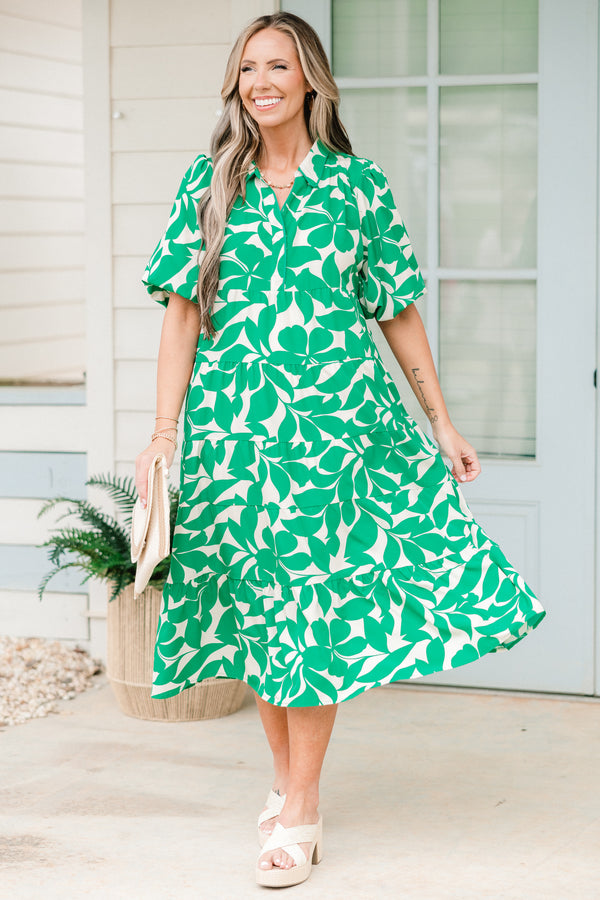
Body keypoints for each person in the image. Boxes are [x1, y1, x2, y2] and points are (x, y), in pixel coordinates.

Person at [136, 11, 546, 889]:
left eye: (278, 66)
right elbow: (181, 316)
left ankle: (302, 808)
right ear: (236, 84)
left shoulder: (358, 188)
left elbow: (397, 308)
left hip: (336, 437)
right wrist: (164, 434)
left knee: (312, 611)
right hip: (232, 438)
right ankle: (287, 781)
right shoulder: (208, 185)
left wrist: (441, 421)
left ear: (311, 80)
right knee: (262, 612)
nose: (262, 82)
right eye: (249, 68)